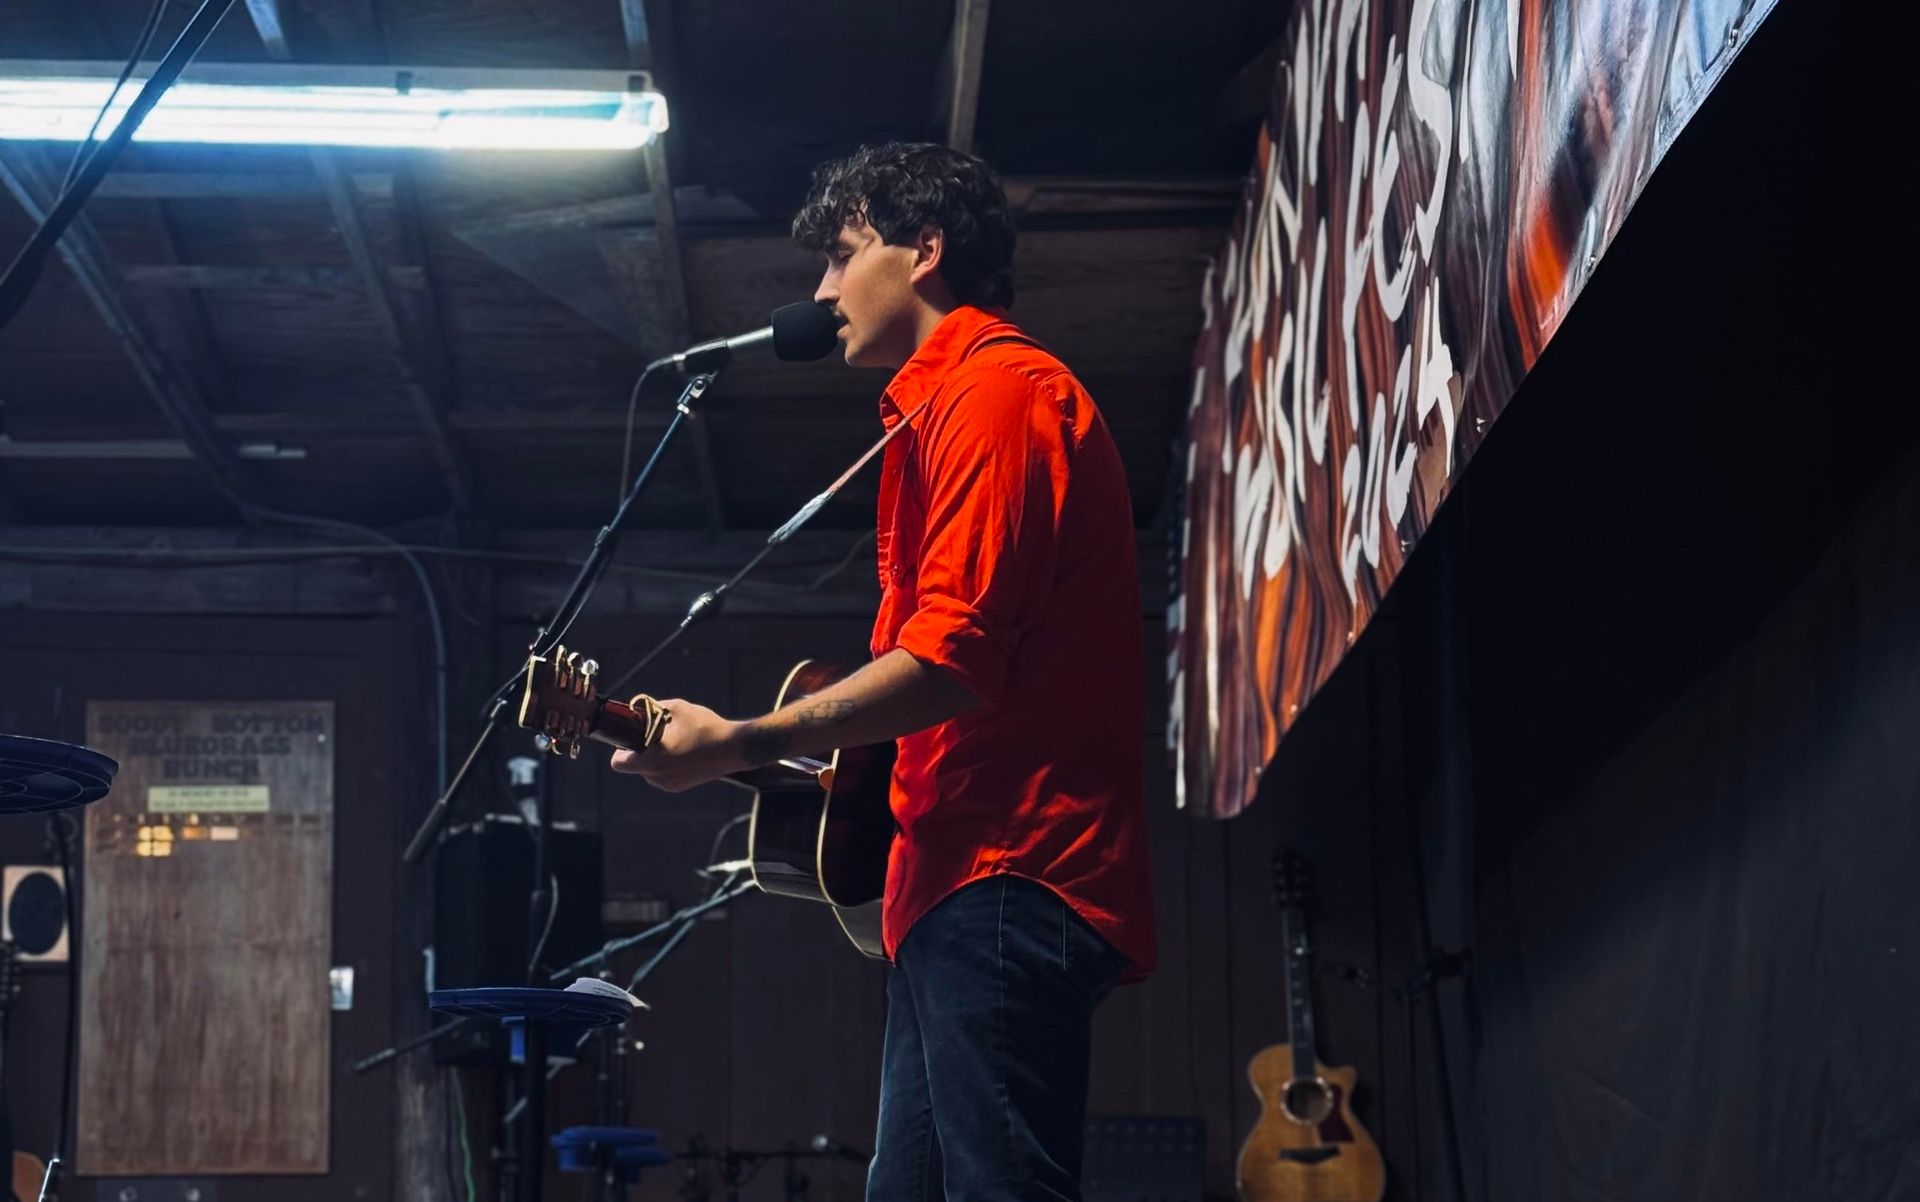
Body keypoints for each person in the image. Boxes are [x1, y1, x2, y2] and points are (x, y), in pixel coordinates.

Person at [611, 142, 1154, 1201]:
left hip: (1008, 870)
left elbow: (952, 660)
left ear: (925, 251)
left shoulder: (998, 393)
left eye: (842, 253)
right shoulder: (941, 409)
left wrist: (744, 737)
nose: (820, 291)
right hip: (955, 884)